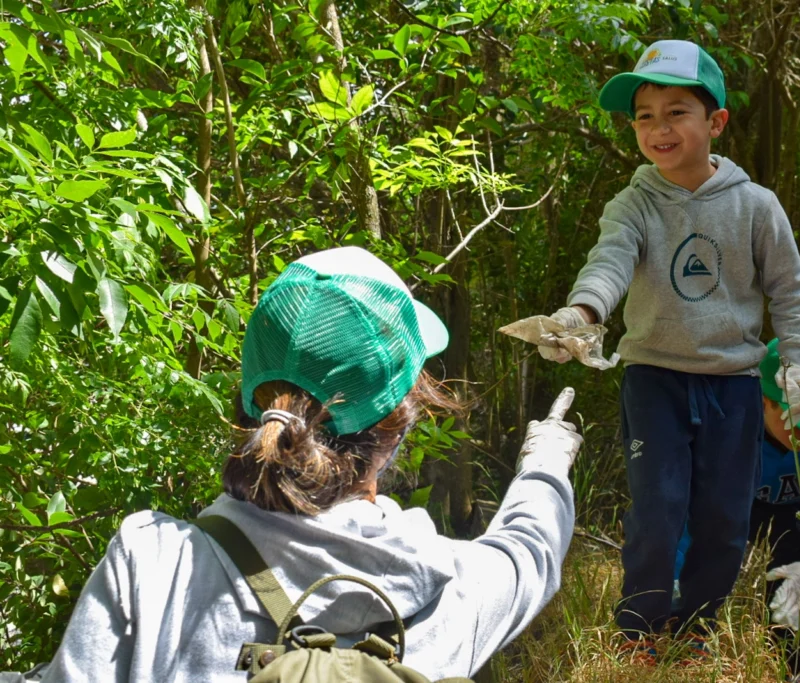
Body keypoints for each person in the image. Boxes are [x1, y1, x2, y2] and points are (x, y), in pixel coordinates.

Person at [42, 247, 582, 681]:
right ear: (398, 427)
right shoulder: (450, 587)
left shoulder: (152, 566)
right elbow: (529, 551)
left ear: (251, 406)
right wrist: (547, 456)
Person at [539, 39, 800, 651]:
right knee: (658, 511)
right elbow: (608, 263)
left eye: (675, 112)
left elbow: (790, 290)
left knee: (723, 522)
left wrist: (797, 361)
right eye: (644, 115)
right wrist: (581, 313)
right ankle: (638, 630)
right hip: (655, 377)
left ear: (715, 121)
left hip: (735, 383)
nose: (658, 128)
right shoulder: (634, 203)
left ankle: (694, 630)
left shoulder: (756, 206)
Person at [673, 338, 800, 673]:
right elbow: (691, 516)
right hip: (734, 509)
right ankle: (691, 636)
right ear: (764, 402)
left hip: (797, 518)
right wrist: (673, 580)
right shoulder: (727, 432)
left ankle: (785, 662)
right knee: (710, 536)